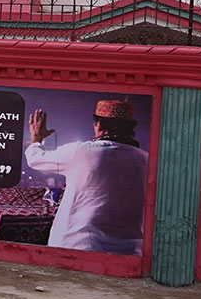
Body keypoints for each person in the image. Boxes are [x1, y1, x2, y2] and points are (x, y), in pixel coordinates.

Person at [25, 100, 148, 256]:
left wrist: (36, 138)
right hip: (130, 253)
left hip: (78, 247)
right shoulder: (146, 160)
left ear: (98, 125)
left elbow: (35, 158)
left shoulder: (82, 152)